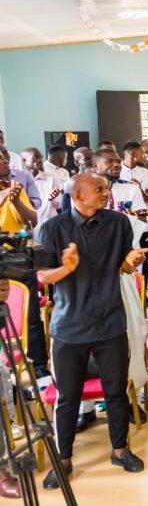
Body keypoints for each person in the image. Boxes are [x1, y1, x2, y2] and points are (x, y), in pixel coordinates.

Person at [36, 172, 147, 489]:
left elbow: (122, 266)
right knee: (68, 397)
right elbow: (42, 276)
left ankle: (120, 450)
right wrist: (66, 268)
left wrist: (131, 262)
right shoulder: (53, 228)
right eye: (98, 189)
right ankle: (64, 459)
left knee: (116, 392)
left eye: (105, 188)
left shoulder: (118, 223)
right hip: (69, 327)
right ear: (78, 195)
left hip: (110, 322)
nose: (105, 192)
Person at [0, 148, 46, 376]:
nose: (5, 161)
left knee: (30, 315)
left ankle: (39, 367)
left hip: (16, 259)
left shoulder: (14, 186)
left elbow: (31, 219)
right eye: (0, 159)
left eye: (4, 157)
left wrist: (16, 200)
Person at [23, 146, 66, 230]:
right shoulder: (20, 181)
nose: (39, 160)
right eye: (35, 157)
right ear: (24, 160)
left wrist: (52, 199)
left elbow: (59, 206)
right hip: (29, 227)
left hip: (50, 226)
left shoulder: (52, 179)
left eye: (40, 157)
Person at [119, 141, 148, 206]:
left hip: (142, 212)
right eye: (143, 153)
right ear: (133, 154)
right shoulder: (116, 171)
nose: (146, 156)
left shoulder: (146, 173)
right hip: (120, 212)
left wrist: (140, 190)